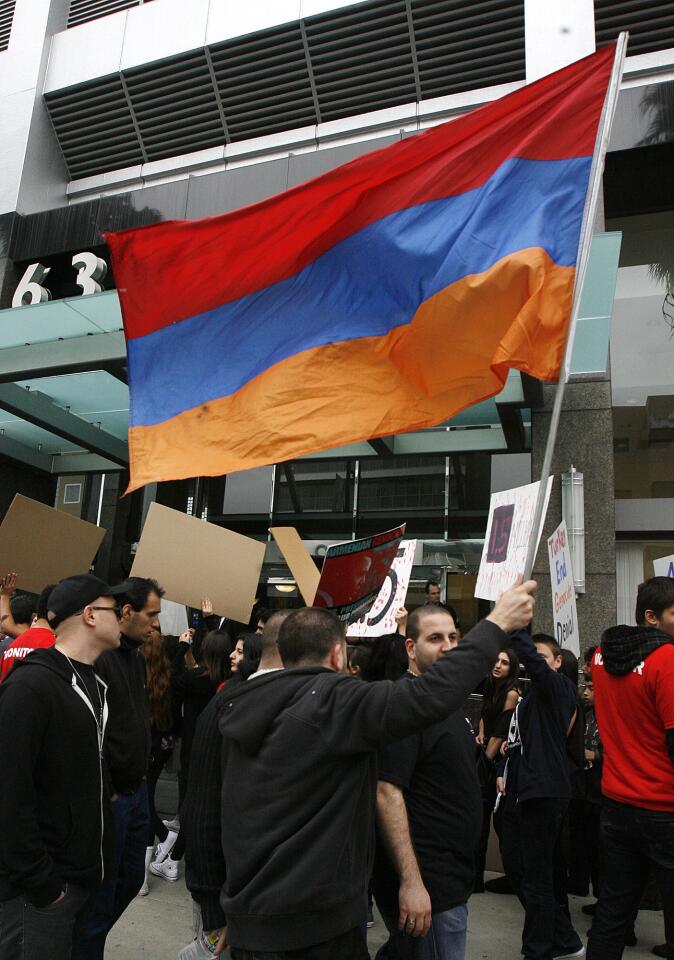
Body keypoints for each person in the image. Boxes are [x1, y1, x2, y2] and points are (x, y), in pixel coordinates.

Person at [217, 579, 537, 959]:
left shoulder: (243, 703)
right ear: (338, 656)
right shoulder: (331, 702)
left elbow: (229, 813)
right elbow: (427, 696)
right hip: (312, 929)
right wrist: (497, 621)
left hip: (253, 922)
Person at [0, 573, 125, 960]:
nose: (123, 616)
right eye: (114, 610)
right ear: (89, 614)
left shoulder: (91, 682)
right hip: (38, 891)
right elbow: (8, 789)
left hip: (76, 877)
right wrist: (42, 883)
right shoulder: (32, 686)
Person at [178, 610, 291, 960]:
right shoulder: (228, 707)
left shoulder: (274, 706)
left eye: (240, 651)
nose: (232, 656)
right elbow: (202, 809)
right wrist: (212, 903)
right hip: (226, 893)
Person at [372, 604, 480, 960]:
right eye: (435, 638)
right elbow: (387, 792)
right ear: (410, 648)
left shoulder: (443, 698)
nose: (448, 646)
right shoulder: (405, 704)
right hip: (430, 885)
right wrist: (412, 883)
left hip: (449, 877)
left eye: (453, 637)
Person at [72, 576, 162, 960]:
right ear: (126, 612)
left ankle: (82, 945)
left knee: (130, 880)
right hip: (114, 797)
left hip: (136, 792)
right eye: (151, 614)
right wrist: (107, 786)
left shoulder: (136, 657)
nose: (156, 624)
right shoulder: (101, 659)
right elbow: (92, 730)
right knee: (101, 894)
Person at [586, 576, 674, 960]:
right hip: (664, 806)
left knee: (613, 912)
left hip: (617, 803)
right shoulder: (667, 658)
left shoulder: (601, 656)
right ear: (652, 617)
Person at [498, 632, 583, 960]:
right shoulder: (529, 698)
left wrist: (518, 628)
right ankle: (564, 939)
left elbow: (536, 665)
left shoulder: (559, 689)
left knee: (536, 878)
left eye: (544, 658)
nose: (537, 664)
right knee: (520, 869)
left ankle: (539, 949)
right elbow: (521, 744)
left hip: (545, 793)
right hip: (523, 793)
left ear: (558, 663)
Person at [152, 628, 232, 883]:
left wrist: (182, 647)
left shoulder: (198, 678)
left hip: (194, 747)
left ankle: (174, 859)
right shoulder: (229, 679)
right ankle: (176, 856)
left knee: (188, 803)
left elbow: (173, 678)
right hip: (216, 747)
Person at [474, 647, 520, 891]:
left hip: (497, 762)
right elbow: (484, 715)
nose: (498, 665)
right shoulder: (491, 686)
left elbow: (502, 730)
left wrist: (487, 758)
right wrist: (481, 734)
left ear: (512, 668)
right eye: (496, 660)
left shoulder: (511, 693)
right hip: (486, 753)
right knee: (480, 820)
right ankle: (475, 876)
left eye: (504, 662)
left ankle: (508, 875)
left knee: (493, 819)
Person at [138, 626, 177, 897]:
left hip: (144, 749)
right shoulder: (168, 678)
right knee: (146, 798)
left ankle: (165, 836)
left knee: (142, 803)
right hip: (161, 746)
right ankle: (142, 877)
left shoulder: (137, 677)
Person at [0, 581, 55, 682]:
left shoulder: (13, 646)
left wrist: (5, 595)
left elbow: (6, 626)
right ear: (33, 617)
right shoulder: (55, 646)